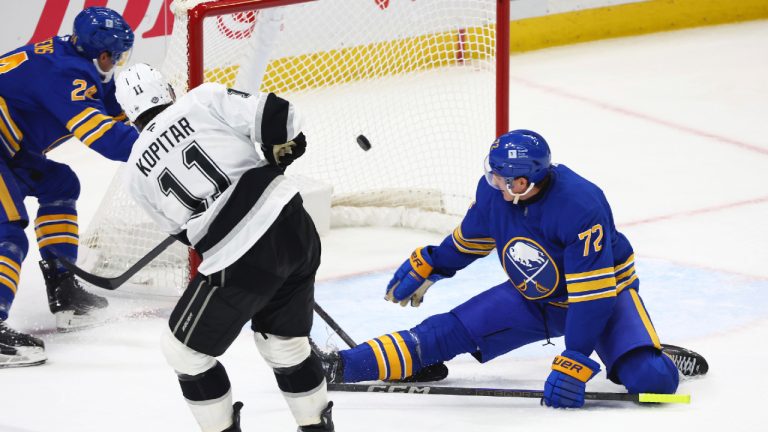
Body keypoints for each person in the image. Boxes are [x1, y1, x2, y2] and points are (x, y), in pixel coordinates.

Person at [318, 129, 708, 408]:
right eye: (492, 174)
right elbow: (471, 240)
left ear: (525, 181)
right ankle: (339, 365)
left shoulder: (581, 205)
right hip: (533, 297)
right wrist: (434, 264)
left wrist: (574, 359)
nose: (492, 183)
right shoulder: (494, 193)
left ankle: (652, 355)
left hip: (604, 300)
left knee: (654, 386)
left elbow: (592, 298)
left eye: (502, 178)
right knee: (437, 335)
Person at [114, 63, 333, 432]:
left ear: (127, 115)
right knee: (284, 345)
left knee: (183, 352)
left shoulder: (135, 170)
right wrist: (273, 149)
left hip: (240, 258)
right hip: (295, 227)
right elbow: (282, 115)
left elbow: (186, 235)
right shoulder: (201, 99)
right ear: (168, 92)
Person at [0, 7, 137, 366]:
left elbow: (113, 113)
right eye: (118, 54)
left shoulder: (82, 60)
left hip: (10, 150)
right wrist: (157, 147)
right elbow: (103, 135)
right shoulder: (65, 74)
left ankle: (64, 292)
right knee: (8, 233)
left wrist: (156, 127)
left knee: (59, 183)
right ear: (103, 53)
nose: (119, 61)